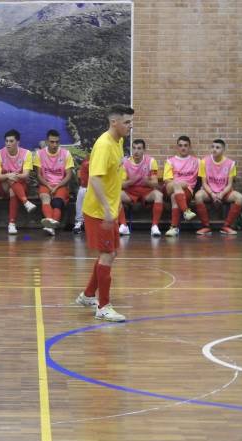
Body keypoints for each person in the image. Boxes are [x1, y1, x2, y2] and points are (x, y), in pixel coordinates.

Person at [74, 105, 133, 321]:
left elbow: (113, 176)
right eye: (126, 122)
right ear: (114, 122)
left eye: (130, 122)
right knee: (107, 255)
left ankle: (88, 295)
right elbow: (95, 179)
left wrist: (115, 204)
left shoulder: (119, 141)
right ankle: (103, 307)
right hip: (99, 212)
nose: (130, 125)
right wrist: (108, 208)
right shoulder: (104, 145)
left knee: (110, 253)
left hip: (109, 209)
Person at [194, 139, 242, 235]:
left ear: (223, 149)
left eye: (217, 147)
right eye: (212, 147)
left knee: (240, 198)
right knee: (198, 196)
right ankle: (206, 227)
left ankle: (226, 226)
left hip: (224, 192)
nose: (214, 149)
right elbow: (204, 183)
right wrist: (212, 194)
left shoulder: (230, 163)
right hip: (209, 191)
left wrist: (221, 194)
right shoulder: (204, 162)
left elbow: (229, 184)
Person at [0, 129, 37, 234]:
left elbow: (25, 175)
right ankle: (26, 202)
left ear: (18, 142)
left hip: (20, 186)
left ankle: (11, 224)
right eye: (6, 141)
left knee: (13, 189)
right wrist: (8, 175)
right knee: (10, 180)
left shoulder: (27, 154)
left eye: (11, 141)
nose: (8, 144)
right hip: (2, 187)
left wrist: (13, 176)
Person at [117, 139, 163, 237]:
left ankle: (154, 226)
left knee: (158, 195)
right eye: (134, 148)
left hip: (146, 191)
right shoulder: (126, 163)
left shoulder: (151, 161)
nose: (136, 151)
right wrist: (131, 181)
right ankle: (124, 226)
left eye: (139, 148)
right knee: (116, 195)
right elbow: (120, 184)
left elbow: (155, 183)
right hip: (131, 191)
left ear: (144, 150)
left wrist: (147, 182)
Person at [34, 129, 74, 236]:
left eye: (57, 142)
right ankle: (51, 226)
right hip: (45, 184)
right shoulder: (39, 154)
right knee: (45, 198)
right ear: (47, 142)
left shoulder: (66, 154)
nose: (55, 144)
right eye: (52, 142)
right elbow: (38, 175)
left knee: (57, 202)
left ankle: (49, 226)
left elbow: (69, 175)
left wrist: (57, 187)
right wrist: (48, 185)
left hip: (61, 184)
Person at [163, 136, 199, 236]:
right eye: (180, 146)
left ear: (189, 147)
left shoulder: (196, 162)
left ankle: (174, 228)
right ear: (177, 147)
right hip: (170, 188)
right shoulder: (170, 161)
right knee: (176, 184)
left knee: (175, 196)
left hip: (187, 191)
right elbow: (166, 180)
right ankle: (186, 211)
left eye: (185, 145)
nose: (183, 148)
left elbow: (208, 172)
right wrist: (179, 184)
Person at [73, 153, 90, 234]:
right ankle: (79, 222)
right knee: (82, 191)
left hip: (101, 187)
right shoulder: (85, 163)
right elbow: (81, 180)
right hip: (86, 187)